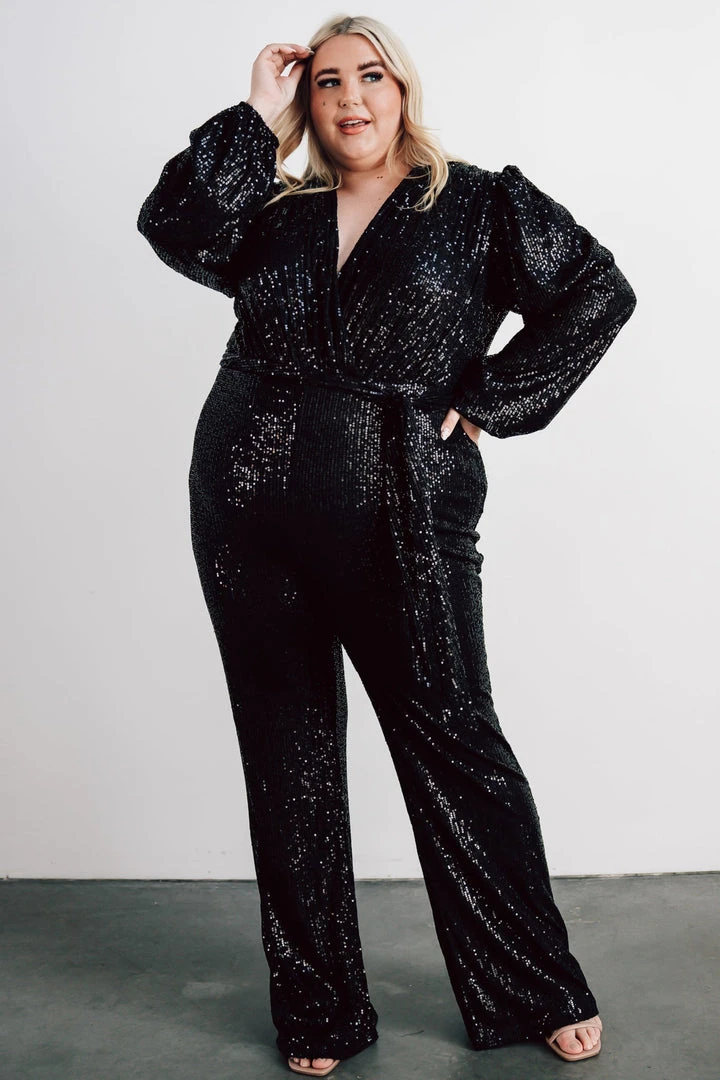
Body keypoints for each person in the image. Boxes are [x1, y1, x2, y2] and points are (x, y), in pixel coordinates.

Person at [136, 13, 636, 1077]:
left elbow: (598, 291)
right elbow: (173, 225)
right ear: (307, 102)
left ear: (403, 89)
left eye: (370, 77)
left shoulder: (484, 203)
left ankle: (533, 986)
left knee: (454, 738)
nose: (350, 99)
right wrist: (255, 115)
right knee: (287, 755)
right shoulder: (275, 212)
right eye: (325, 83)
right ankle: (318, 1008)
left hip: (403, 504)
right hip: (244, 499)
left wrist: (495, 396)